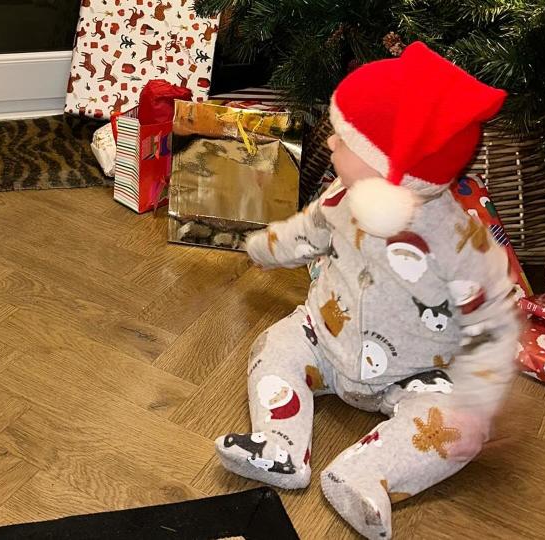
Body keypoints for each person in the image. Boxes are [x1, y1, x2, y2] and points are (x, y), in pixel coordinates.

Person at [215, 42, 521, 539]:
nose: (330, 143)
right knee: (274, 345)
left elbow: (493, 315)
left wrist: (483, 388)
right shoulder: (341, 197)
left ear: (391, 168)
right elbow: (305, 232)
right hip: (324, 339)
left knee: (463, 429)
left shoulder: (458, 241)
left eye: (343, 138)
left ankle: (366, 473)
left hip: (418, 374)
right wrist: (262, 246)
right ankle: (280, 446)